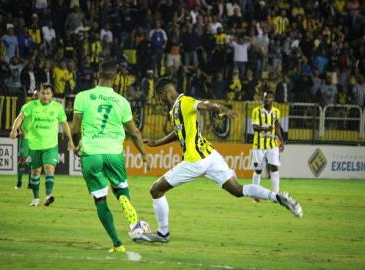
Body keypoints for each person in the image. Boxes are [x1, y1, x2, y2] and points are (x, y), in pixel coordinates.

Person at [140, 78, 303, 243]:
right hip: (210, 156)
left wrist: (221, 108)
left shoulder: (185, 102)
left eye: (158, 96)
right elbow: (178, 133)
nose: (158, 100)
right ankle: (277, 197)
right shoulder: (175, 110)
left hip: (195, 160)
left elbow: (205, 104)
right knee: (237, 189)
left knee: (156, 190)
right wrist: (156, 143)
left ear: (164, 93)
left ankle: (163, 234)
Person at [71, 60, 150, 253]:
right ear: (115, 77)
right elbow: (135, 132)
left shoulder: (82, 97)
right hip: (114, 152)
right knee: (121, 188)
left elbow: (74, 129)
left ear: (98, 74)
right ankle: (123, 200)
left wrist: (75, 144)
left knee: (100, 199)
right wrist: (144, 155)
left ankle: (117, 243)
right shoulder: (121, 101)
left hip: (91, 153)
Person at [10, 83, 75, 206]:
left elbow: (64, 123)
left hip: (51, 145)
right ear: (39, 93)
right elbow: (19, 118)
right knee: (35, 172)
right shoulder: (31, 106)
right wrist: (14, 130)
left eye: (48, 93)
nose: (45, 96)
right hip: (34, 145)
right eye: (43, 93)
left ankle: (48, 196)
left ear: (52, 95)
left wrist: (70, 140)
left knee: (49, 168)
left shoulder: (57, 107)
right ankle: (35, 199)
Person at [251, 90, 284, 202]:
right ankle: (255, 195)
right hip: (259, 145)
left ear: (273, 99)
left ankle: (276, 195)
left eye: (269, 97)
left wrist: (281, 141)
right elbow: (254, 127)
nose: (267, 99)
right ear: (263, 98)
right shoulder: (256, 111)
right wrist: (266, 128)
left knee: (274, 167)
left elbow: (277, 126)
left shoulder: (276, 112)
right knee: (258, 170)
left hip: (272, 144)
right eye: (265, 97)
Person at [15, 90, 39, 189]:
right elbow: (19, 120)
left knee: (32, 161)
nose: (37, 97)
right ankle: (19, 181)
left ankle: (30, 183)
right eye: (35, 95)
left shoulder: (43, 109)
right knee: (22, 160)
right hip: (25, 137)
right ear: (32, 96)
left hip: (36, 138)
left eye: (38, 95)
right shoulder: (26, 106)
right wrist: (20, 130)